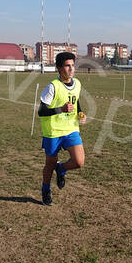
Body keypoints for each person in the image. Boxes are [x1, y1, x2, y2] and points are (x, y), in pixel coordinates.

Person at [37, 52, 87, 206]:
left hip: (71, 129)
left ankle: (62, 169)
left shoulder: (77, 83)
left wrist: (80, 113)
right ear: (59, 68)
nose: (71, 69)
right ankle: (46, 189)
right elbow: (41, 111)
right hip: (53, 131)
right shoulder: (53, 86)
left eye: (72, 65)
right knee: (49, 164)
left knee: (79, 161)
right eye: (67, 66)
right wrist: (60, 109)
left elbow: (75, 100)